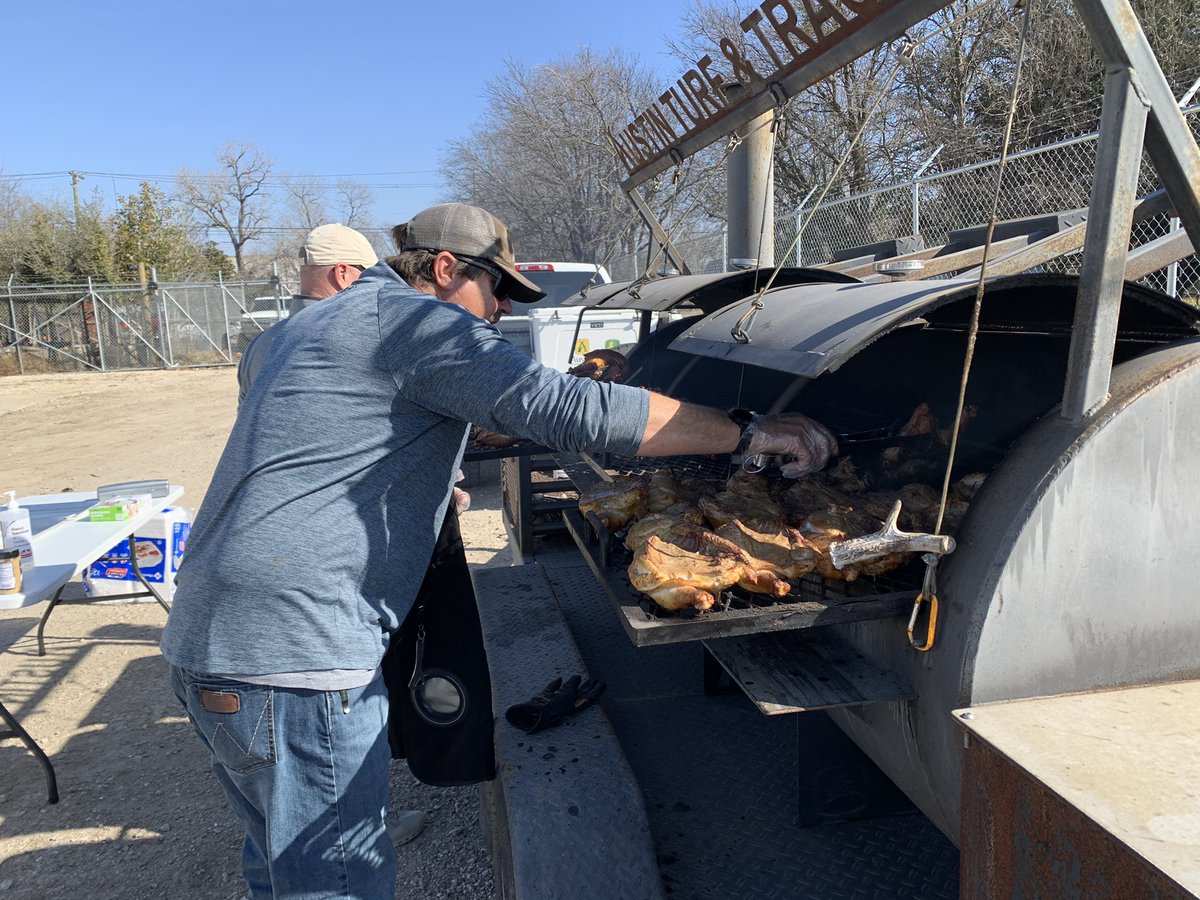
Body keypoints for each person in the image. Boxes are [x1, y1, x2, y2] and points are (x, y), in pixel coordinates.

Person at [161, 202, 836, 899]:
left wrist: (408, 484)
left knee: (280, 866)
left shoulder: (297, 329)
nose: (502, 307)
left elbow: (314, 443)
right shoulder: (416, 322)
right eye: (498, 288)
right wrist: (750, 431)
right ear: (447, 270)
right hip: (293, 649)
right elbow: (569, 409)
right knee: (334, 881)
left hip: (208, 638)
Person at [236, 223, 379, 403]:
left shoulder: (258, 346)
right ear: (342, 273)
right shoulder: (364, 340)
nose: (374, 283)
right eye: (368, 273)